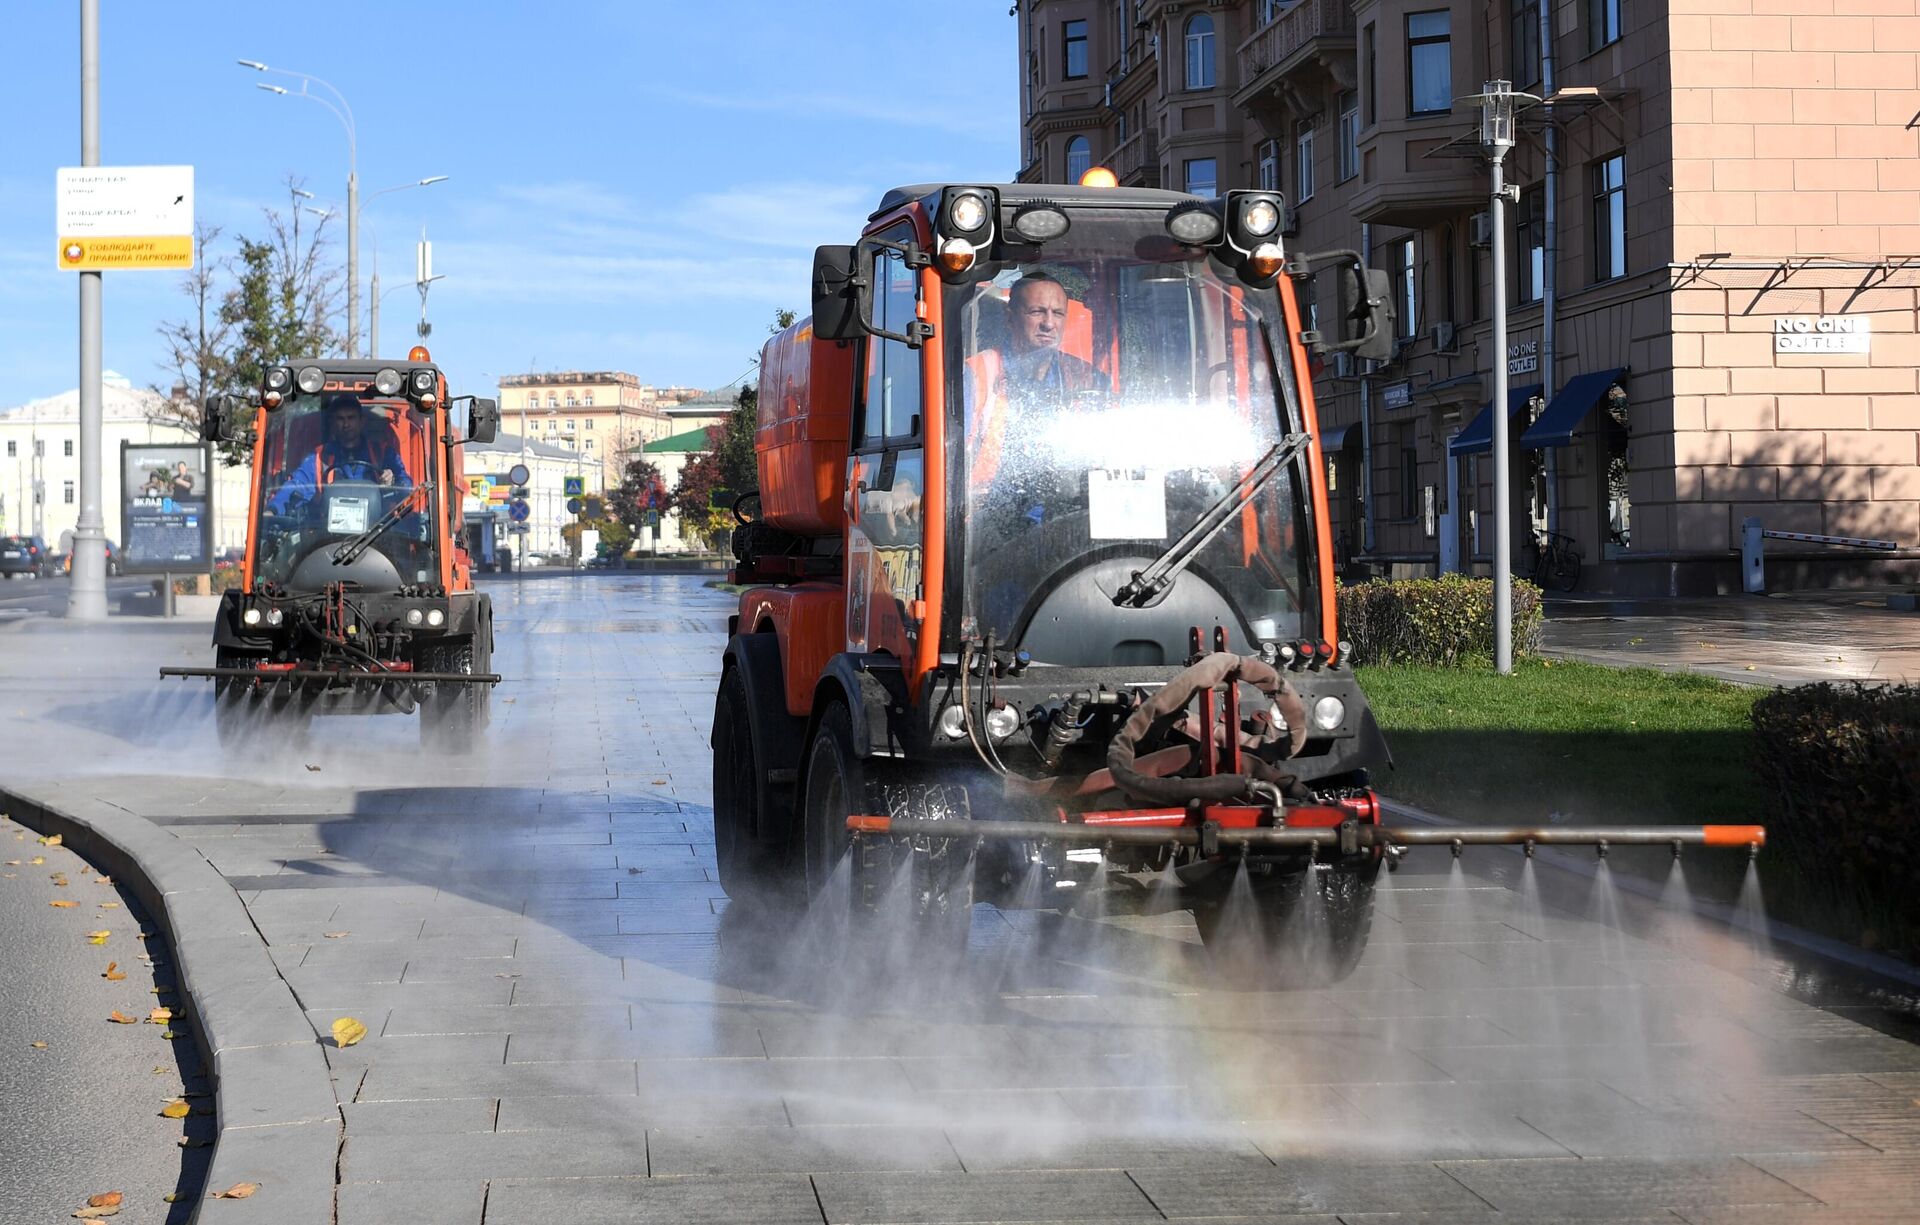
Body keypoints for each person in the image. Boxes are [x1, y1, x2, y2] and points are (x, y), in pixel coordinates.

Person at [964, 274, 1102, 495]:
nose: (1048, 323)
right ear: (1010, 318)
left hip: (1066, 508)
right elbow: (943, 449)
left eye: (1057, 313)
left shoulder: (1088, 378)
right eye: (1037, 312)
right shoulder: (977, 374)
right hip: (984, 510)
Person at [267, 394, 413, 515]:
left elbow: (406, 485)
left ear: (361, 421)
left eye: (351, 418)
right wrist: (273, 509)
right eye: (340, 419)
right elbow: (297, 484)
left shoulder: (383, 452)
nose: (346, 424)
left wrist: (392, 481)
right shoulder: (320, 456)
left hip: (378, 535)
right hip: (325, 536)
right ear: (333, 423)